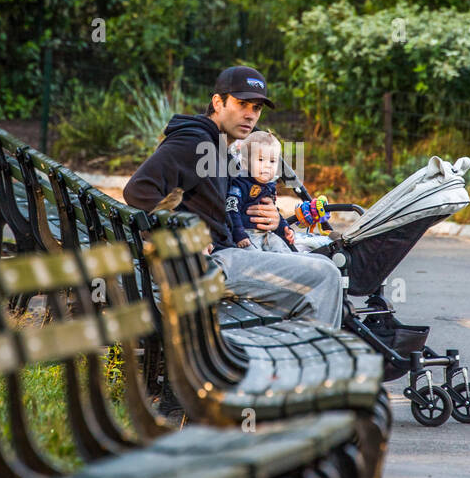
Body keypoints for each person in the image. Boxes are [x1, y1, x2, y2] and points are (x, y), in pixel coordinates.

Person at [123, 65, 344, 326]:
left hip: (215, 259)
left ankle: (284, 356)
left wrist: (273, 219)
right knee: (326, 274)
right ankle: (317, 359)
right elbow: (137, 190)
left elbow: (228, 204)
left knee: (313, 271)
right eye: (242, 104)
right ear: (218, 102)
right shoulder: (195, 142)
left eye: (256, 108)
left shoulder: (217, 145)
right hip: (210, 265)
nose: (250, 116)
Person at [225, 129, 295, 252]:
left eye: (272, 161)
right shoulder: (241, 184)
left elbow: (273, 211)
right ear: (246, 163)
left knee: (285, 250)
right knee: (252, 253)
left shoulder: (269, 186)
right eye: (261, 159)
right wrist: (239, 234)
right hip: (247, 234)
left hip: (267, 234)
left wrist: (285, 228)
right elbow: (232, 209)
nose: (268, 165)